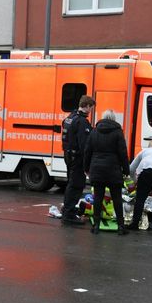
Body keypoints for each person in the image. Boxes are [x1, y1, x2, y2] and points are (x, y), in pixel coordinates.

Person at [83, 110, 130, 235]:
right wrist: (126, 170)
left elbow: (88, 151)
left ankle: (96, 226)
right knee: (117, 199)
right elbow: (123, 153)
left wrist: (86, 168)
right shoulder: (118, 132)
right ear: (114, 119)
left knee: (98, 198)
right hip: (113, 170)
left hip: (97, 169)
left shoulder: (94, 131)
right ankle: (121, 226)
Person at [61, 95, 96, 225]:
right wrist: (87, 165)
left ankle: (67, 209)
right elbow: (84, 145)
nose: (91, 111)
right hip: (77, 158)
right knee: (76, 185)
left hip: (68, 155)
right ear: (87, 106)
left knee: (71, 183)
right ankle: (69, 214)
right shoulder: (82, 122)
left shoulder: (69, 118)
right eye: (91, 108)